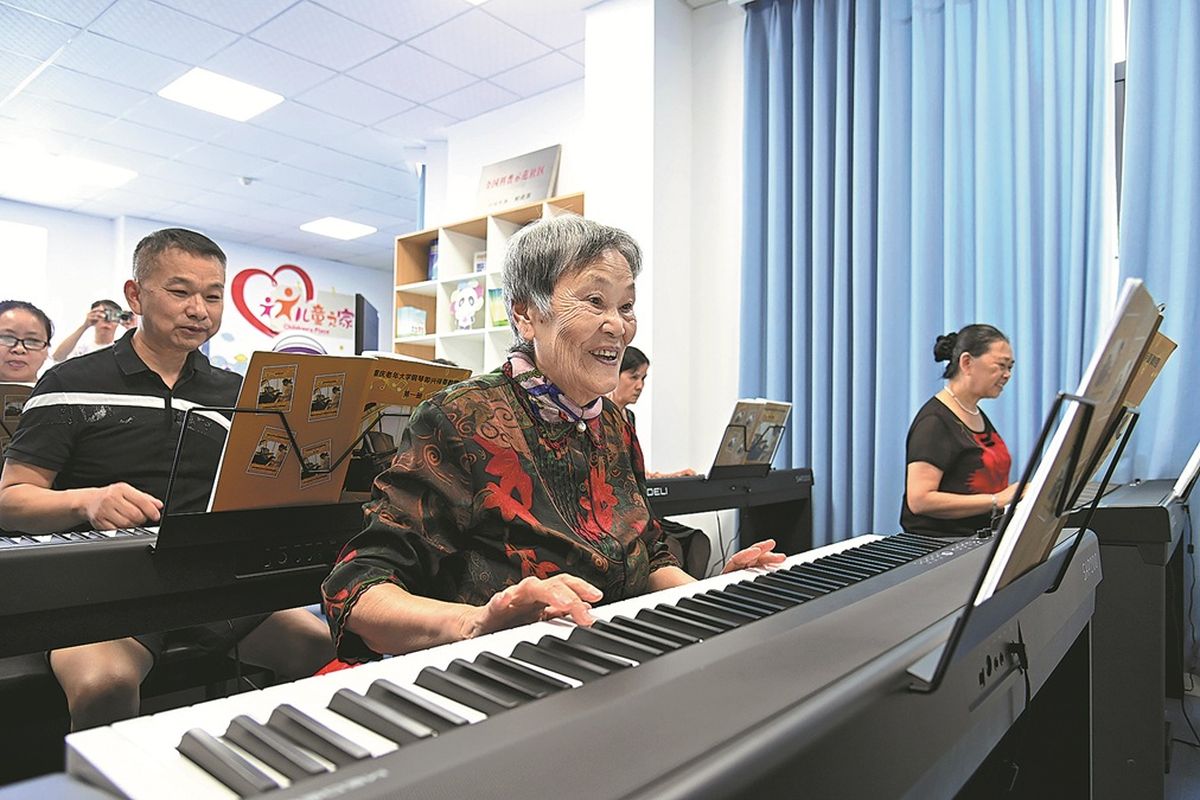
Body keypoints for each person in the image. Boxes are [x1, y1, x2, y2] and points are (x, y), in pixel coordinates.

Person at [322, 216, 783, 661]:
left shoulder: (615, 424)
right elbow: (357, 589)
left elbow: (650, 555)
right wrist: (478, 623)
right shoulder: (458, 418)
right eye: (595, 302)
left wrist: (713, 594)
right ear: (526, 315)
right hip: (508, 673)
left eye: (626, 306)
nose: (618, 326)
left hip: (618, 659)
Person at [0, 228, 333, 729]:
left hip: (211, 583)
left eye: (213, 295)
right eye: (179, 292)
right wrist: (86, 502)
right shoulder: (70, 382)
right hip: (103, 591)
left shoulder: (237, 392)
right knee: (103, 685)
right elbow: (11, 497)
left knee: (323, 650)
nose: (199, 309)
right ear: (135, 295)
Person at [901, 324, 1018, 537]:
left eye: (1010, 367)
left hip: (981, 538)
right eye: (1001, 366)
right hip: (940, 545)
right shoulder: (934, 422)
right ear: (967, 363)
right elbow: (919, 500)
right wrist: (998, 499)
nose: (1007, 375)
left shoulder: (973, 413)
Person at [609, 346, 697, 479]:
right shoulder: (597, 415)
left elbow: (633, 472)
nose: (640, 386)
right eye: (633, 377)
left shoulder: (629, 417)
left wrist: (672, 476)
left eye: (643, 379)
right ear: (614, 375)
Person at [51, 299, 133, 362]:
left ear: (119, 319)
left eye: (113, 315)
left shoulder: (123, 348)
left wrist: (133, 328)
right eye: (102, 314)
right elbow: (58, 357)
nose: (107, 320)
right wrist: (85, 326)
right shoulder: (82, 349)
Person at [0, 300, 53, 383]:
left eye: (33, 341)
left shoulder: (59, 395)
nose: (19, 349)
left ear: (46, 350)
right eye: (7, 338)